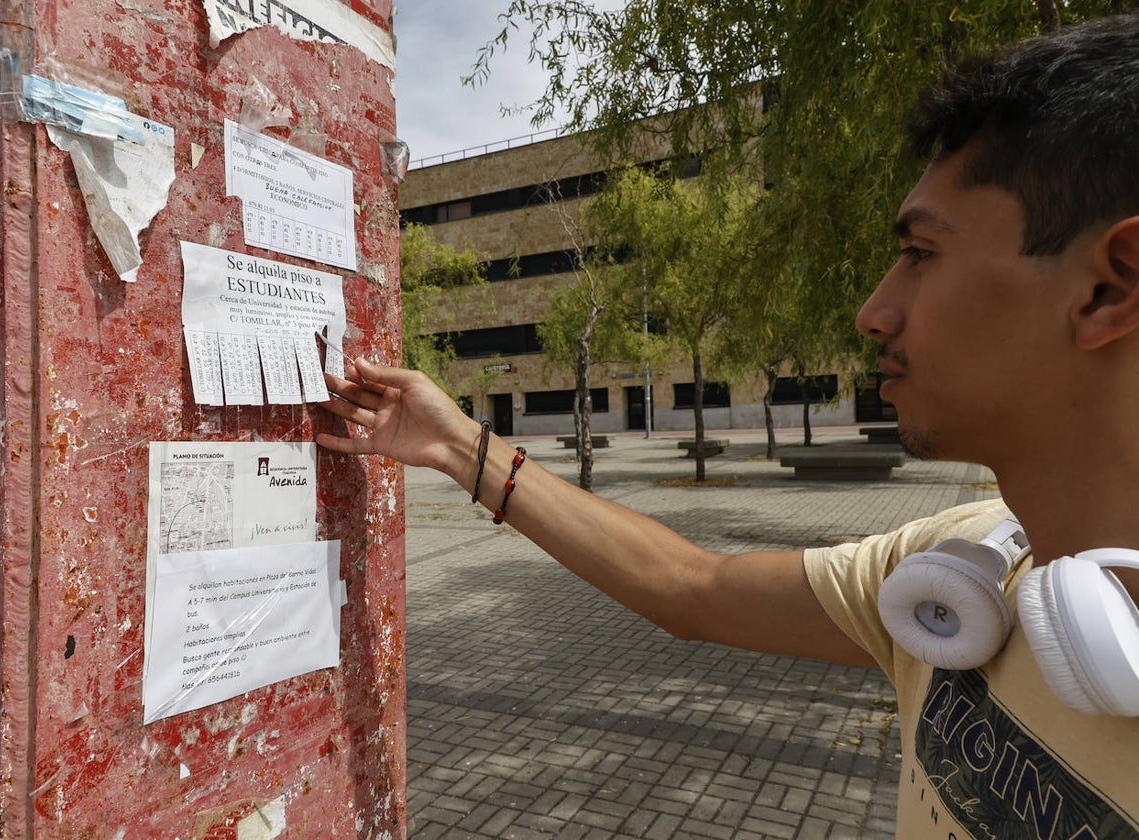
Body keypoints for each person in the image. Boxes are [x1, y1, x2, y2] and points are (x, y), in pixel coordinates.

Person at [318, 14, 1139, 839]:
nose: (872, 312)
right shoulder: (961, 567)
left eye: (922, 253)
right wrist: (461, 444)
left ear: (1110, 287)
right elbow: (691, 590)